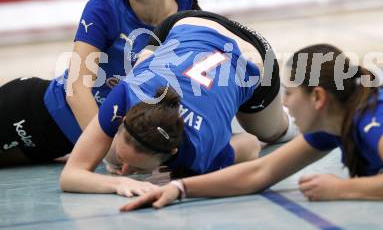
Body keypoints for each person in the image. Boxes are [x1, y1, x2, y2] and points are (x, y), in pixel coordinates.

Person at [119, 42, 383, 210]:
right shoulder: (332, 127)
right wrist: (181, 188)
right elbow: (261, 172)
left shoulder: (376, 115)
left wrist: (340, 189)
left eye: (289, 93)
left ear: (317, 97)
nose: (284, 103)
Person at [0, 0, 200, 167]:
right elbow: (76, 88)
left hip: (53, 147)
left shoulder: (190, 16)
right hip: (25, 114)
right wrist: (111, 151)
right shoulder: (104, 7)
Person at [60, 10, 298, 196]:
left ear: (174, 152)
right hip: (187, 24)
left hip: (251, 52)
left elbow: (251, 143)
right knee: (110, 154)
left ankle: (290, 113)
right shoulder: (127, 92)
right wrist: (118, 183)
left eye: (136, 170)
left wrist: (178, 176)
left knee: (272, 132)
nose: (126, 173)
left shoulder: (199, 152)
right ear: (123, 118)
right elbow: (69, 176)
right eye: (128, 165)